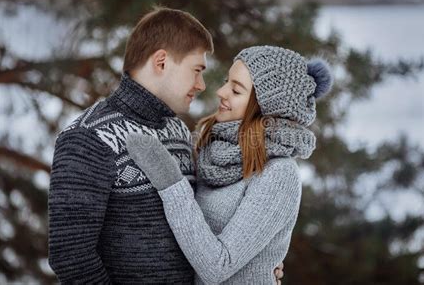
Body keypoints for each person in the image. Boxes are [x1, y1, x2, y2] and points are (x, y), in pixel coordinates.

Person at [126, 45, 333, 284]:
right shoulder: (209, 147)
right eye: (227, 81)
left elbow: (217, 267)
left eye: (236, 90)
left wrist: (171, 183)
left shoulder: (279, 173)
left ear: (264, 107)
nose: (221, 91)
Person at [48, 7, 213, 283]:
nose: (202, 85)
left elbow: (200, 229)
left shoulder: (179, 131)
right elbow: (71, 256)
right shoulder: (88, 138)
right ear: (161, 62)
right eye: (197, 70)